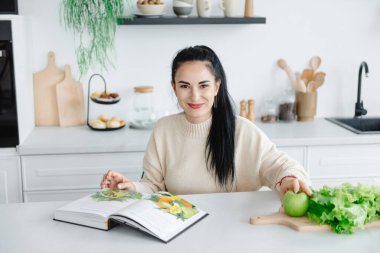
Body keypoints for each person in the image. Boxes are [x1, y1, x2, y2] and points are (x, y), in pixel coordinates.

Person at [100, 45, 312, 200]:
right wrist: (131, 188)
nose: (194, 96)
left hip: (231, 230)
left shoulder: (242, 130)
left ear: (216, 87)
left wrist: (287, 179)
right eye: (184, 86)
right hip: (177, 229)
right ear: (174, 88)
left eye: (203, 86)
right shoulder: (163, 129)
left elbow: (282, 166)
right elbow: (152, 185)